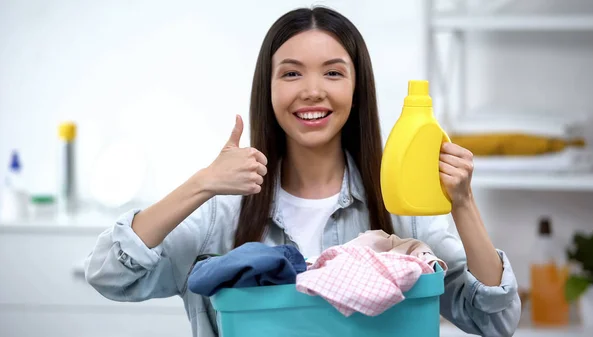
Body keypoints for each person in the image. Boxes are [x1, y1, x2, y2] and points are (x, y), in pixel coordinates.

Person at [84, 6, 521, 337]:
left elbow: (495, 319)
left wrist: (462, 202)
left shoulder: (398, 203)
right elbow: (111, 274)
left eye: (333, 72)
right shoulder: (223, 210)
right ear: (268, 88)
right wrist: (202, 183)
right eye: (291, 73)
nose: (312, 91)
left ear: (357, 88)